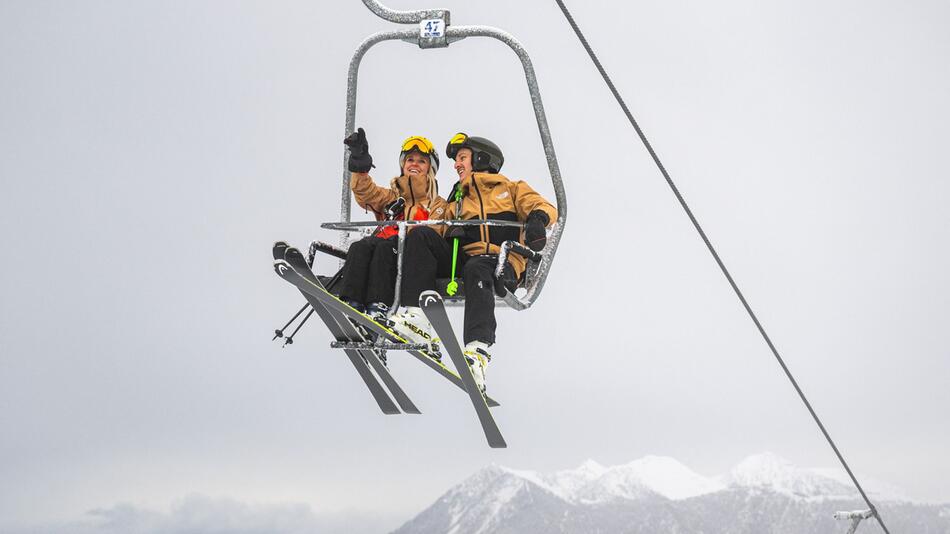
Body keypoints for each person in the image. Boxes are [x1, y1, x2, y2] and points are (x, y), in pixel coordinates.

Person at [396, 132, 557, 393]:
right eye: (456, 160)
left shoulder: (511, 188)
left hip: (501, 261)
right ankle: (417, 317)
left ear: (481, 159)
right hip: (467, 260)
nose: (457, 165)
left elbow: (544, 206)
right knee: (421, 235)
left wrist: (537, 219)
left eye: (462, 158)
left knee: (477, 267)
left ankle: (477, 350)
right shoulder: (457, 200)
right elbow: (435, 229)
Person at [338, 128, 448, 334]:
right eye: (410, 159)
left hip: (410, 255)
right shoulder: (391, 198)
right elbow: (366, 193)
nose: (414, 164)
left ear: (430, 169)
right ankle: (350, 303)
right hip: (384, 243)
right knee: (360, 247)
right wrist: (360, 166)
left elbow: (436, 231)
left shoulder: (437, 203)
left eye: (422, 161)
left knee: (385, 249)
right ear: (403, 165)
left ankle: (378, 305)